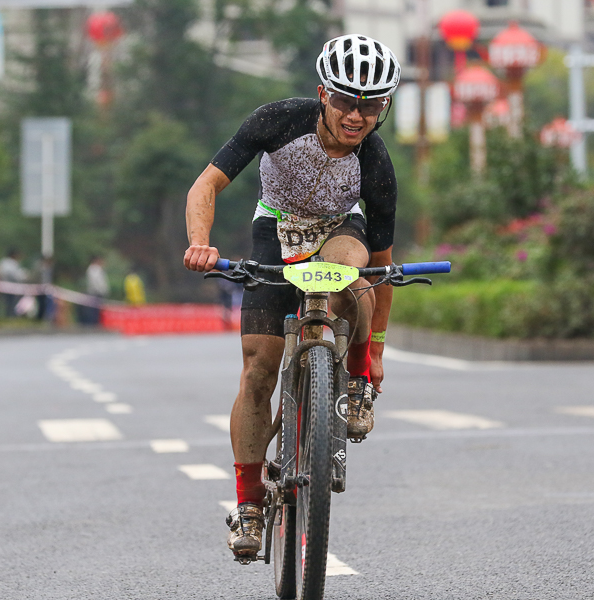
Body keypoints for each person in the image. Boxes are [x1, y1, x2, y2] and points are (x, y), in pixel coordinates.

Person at [183, 34, 400, 560]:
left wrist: (373, 356)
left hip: (339, 230)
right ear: (323, 94)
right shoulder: (277, 120)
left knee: (352, 275)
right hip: (275, 230)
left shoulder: (374, 160)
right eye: (347, 100)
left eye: (372, 105)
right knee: (258, 369)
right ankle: (251, 503)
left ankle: (351, 385)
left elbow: (383, 264)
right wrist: (200, 244)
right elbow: (205, 187)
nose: (357, 115)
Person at [0, 249, 27, 317]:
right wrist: (23, 277)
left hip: (13, 287)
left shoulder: (12, 263)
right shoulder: (6, 263)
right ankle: (9, 316)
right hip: (7, 286)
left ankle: (12, 315)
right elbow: (12, 275)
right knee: (9, 303)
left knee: (13, 303)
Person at [84, 256, 109, 325]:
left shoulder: (97, 269)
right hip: (96, 292)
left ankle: (97, 322)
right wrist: (101, 290)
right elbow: (96, 282)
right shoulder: (94, 269)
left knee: (97, 310)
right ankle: (94, 323)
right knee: (94, 310)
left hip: (98, 292)